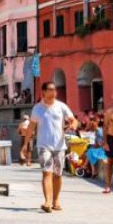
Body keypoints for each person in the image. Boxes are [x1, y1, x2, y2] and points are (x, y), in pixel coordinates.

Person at [26, 81, 77, 213]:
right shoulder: (37, 108)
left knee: (58, 175)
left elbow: (72, 119)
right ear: (43, 92)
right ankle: (47, 202)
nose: (53, 92)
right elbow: (31, 127)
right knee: (47, 172)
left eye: (55, 89)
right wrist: (25, 145)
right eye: (50, 89)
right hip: (44, 145)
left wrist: (73, 124)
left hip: (59, 145)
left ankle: (56, 200)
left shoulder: (61, 106)